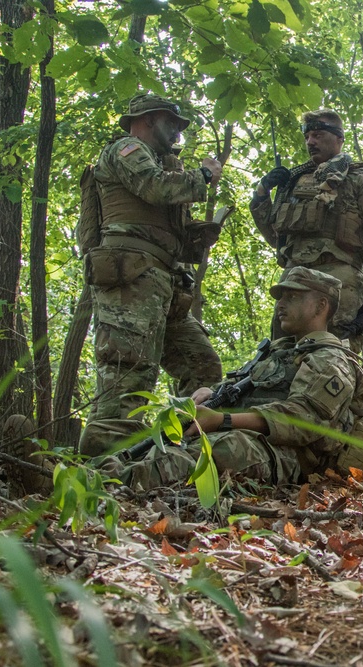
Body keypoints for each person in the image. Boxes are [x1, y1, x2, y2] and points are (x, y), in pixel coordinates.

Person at [9, 268, 363, 494]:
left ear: (321, 306)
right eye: (281, 296)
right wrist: (210, 397)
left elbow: (303, 420)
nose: (281, 304)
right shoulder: (280, 351)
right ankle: (69, 477)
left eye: (293, 297)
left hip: (287, 457)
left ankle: (80, 491)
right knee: (156, 442)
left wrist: (221, 420)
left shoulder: (332, 359)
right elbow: (249, 392)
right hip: (250, 437)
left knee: (220, 448)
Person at [79, 94, 226, 457]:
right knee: (127, 374)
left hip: (164, 284)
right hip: (131, 278)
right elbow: (154, 187)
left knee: (201, 365)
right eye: (171, 123)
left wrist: (195, 235)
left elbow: (158, 222)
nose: (177, 131)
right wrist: (203, 175)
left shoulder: (163, 161)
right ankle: (104, 474)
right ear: (146, 119)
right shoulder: (127, 149)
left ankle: (172, 451)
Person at [250, 109, 363, 343]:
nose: (310, 142)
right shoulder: (295, 180)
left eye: (317, 135)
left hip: (339, 281)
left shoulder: (362, 177)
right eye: (307, 137)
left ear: (339, 138)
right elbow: (276, 237)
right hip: (293, 279)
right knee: (279, 358)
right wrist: (263, 192)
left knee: (334, 357)